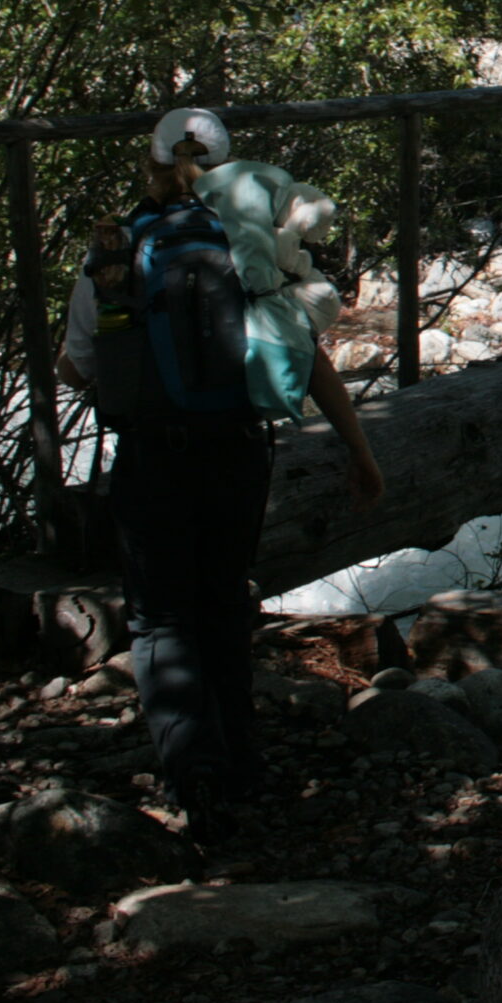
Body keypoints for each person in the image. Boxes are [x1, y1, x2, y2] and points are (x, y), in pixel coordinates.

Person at [55, 107, 384, 843]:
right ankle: (244, 764)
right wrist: (360, 452)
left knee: (162, 617)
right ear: (235, 169)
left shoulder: (115, 248)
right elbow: (308, 360)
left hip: (152, 455)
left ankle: (192, 773)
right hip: (238, 451)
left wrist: (136, 383)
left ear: (153, 161)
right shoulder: (251, 247)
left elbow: (74, 366)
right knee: (222, 603)